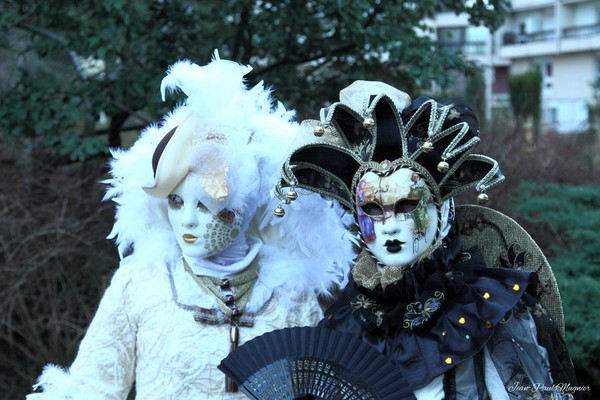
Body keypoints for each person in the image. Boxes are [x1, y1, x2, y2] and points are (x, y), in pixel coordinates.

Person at [28, 52, 355, 399]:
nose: (186, 220)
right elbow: (92, 389)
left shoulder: (289, 292)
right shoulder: (141, 283)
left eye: (206, 205)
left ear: (243, 206)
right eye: (176, 201)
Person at [274, 80, 577, 399]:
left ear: (441, 210)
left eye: (406, 206)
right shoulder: (346, 323)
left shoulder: (484, 311)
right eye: (372, 210)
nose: (389, 226)